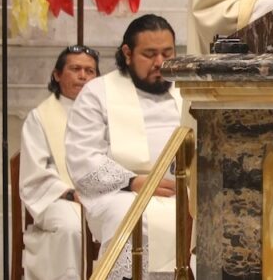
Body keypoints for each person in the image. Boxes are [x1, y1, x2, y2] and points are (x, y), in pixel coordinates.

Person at [66, 14, 188, 280]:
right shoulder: (98, 92)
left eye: (167, 53)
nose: (160, 63)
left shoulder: (188, 89)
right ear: (127, 53)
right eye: (150, 54)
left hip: (185, 190)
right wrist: (133, 181)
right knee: (133, 219)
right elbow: (82, 156)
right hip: (120, 192)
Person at [19, 45, 100, 279]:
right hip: (60, 199)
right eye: (75, 69)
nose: (83, 76)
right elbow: (35, 172)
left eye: (90, 71)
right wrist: (69, 193)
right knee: (72, 228)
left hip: (103, 195)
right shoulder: (40, 117)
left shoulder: (107, 113)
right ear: (57, 74)